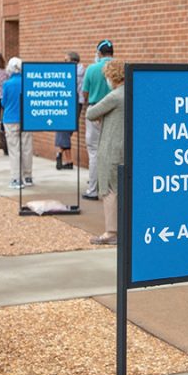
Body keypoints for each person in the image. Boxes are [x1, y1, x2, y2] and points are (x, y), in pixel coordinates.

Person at [85, 60, 125, 245]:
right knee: (122, 190)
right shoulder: (133, 93)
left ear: (112, 77)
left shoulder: (115, 96)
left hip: (111, 148)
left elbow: (91, 113)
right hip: (126, 147)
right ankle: (123, 227)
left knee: (109, 190)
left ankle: (111, 232)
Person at [82, 40, 114, 200]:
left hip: (95, 111)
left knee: (94, 151)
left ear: (99, 53)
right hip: (115, 112)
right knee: (113, 151)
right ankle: (111, 189)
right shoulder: (120, 67)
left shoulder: (92, 69)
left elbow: (85, 93)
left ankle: (93, 189)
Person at [1, 57, 33, 189]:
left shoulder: (7, 84)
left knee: (14, 149)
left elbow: (3, 102)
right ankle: (28, 176)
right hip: (27, 118)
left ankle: (16, 178)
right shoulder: (28, 82)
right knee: (27, 148)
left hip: (10, 118)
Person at [55, 51, 85, 170]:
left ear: (73, 61)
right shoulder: (79, 71)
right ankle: (68, 160)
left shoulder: (76, 73)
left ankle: (60, 153)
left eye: (66, 60)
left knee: (64, 129)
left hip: (73, 103)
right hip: (74, 103)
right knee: (64, 130)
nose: (64, 63)